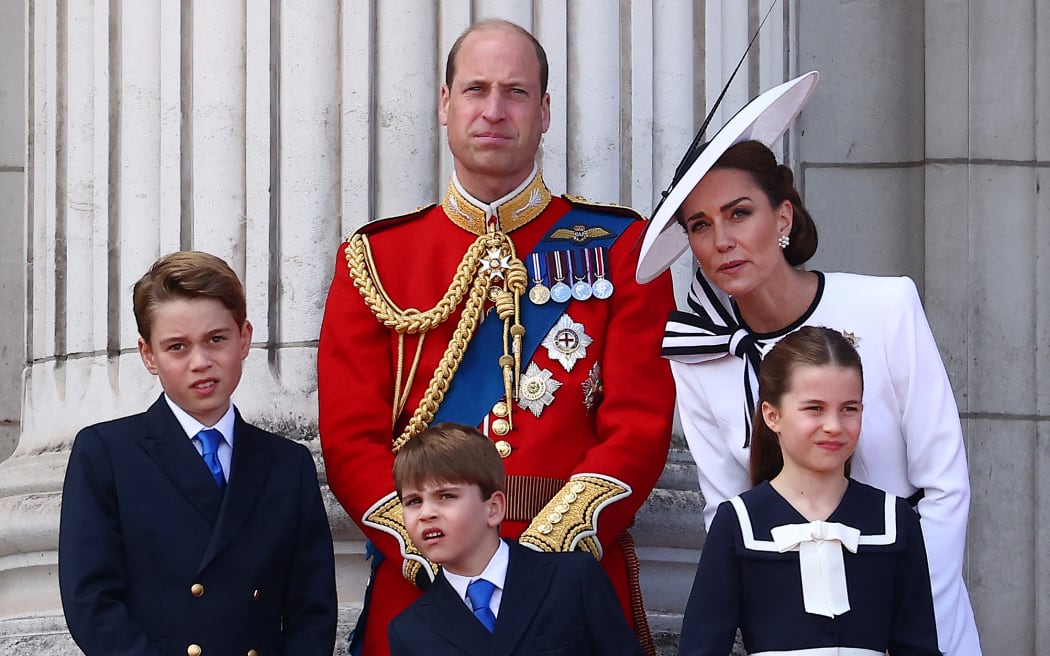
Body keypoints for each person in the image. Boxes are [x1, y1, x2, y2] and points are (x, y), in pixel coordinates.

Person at [318, 18, 675, 656]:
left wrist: (543, 554)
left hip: (569, 575)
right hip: (425, 575)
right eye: (476, 89)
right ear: (445, 105)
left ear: (544, 112)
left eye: (515, 92)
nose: (493, 110)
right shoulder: (375, 259)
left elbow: (639, 425)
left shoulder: (622, 248)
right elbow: (350, 439)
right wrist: (429, 544)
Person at [635, 72, 981, 655]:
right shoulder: (699, 354)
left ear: (785, 218)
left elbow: (944, 489)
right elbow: (728, 511)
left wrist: (907, 633)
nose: (722, 240)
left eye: (739, 213)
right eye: (700, 225)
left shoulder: (885, 305)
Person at [59, 251, 337, 656]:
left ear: (244, 339)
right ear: (148, 355)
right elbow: (92, 603)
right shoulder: (105, 454)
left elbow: (312, 609)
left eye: (216, 339)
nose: (201, 362)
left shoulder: (287, 464)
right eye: (177, 347)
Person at [678, 327, 940, 655]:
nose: (833, 425)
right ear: (772, 415)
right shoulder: (740, 521)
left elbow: (918, 646)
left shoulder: (894, 519)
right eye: (814, 408)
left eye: (849, 408)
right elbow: (701, 647)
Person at [386, 423, 645, 656]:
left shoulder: (573, 578)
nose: (426, 514)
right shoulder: (410, 630)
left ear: (494, 507)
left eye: (446, 496)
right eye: (413, 501)